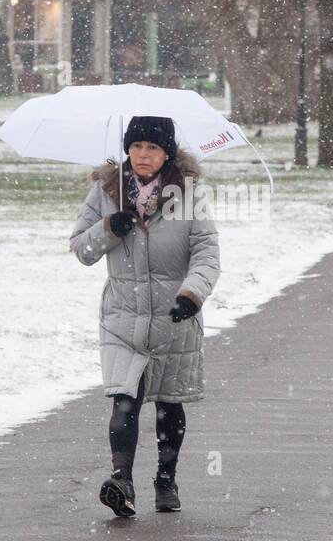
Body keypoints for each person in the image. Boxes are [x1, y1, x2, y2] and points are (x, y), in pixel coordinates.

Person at [69, 116, 220, 518]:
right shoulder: (105, 191)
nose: (142, 155)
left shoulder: (190, 195)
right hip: (123, 317)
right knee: (125, 398)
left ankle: (166, 479)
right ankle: (122, 480)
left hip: (175, 318)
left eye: (152, 148)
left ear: (167, 153)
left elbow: (207, 254)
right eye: (136, 147)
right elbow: (81, 249)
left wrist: (192, 294)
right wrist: (108, 229)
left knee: (169, 403)